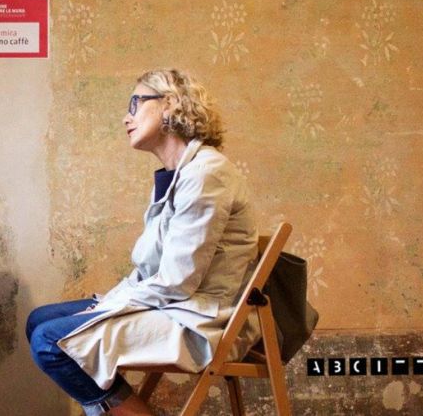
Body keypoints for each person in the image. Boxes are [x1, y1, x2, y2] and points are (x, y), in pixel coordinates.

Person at [26, 69, 261, 415]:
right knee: (38, 320)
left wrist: (108, 308)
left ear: (170, 104)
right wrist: (111, 303)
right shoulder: (177, 175)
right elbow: (149, 270)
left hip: (196, 318)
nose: (126, 117)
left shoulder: (206, 172)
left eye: (135, 103)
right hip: (170, 304)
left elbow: (177, 281)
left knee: (49, 342)